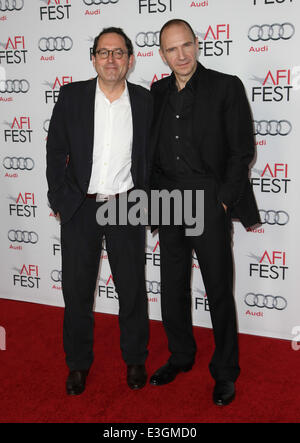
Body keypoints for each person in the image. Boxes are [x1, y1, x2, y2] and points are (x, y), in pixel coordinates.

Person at [149, 19, 260, 406]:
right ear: (161, 54)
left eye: (186, 46)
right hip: (168, 201)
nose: (180, 55)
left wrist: (224, 201)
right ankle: (181, 355)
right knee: (172, 287)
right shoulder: (158, 90)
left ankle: (225, 371)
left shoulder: (226, 86)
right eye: (171, 49)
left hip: (208, 199)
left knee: (217, 290)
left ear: (197, 44)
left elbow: (241, 150)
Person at [46, 27, 152, 395]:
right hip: (81, 208)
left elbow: (153, 158)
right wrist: (60, 199)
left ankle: (136, 358)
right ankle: (77, 365)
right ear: (93, 57)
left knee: (133, 288)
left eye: (118, 53)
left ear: (130, 58)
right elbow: (56, 150)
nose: (111, 59)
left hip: (127, 206)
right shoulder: (72, 96)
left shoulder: (145, 100)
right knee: (76, 292)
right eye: (104, 52)